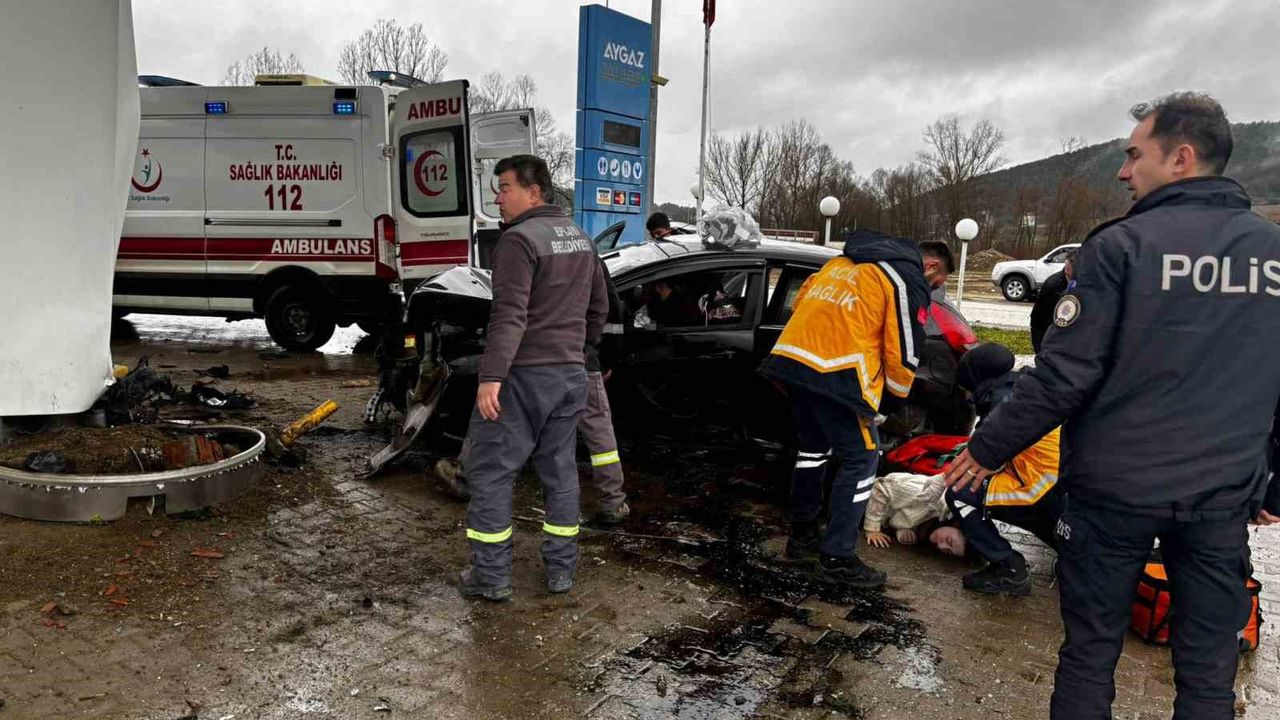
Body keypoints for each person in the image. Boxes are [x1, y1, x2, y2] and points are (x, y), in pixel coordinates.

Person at [944, 93, 1280, 718]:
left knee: (1091, 650)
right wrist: (1275, 486)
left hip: (1113, 494)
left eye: (1133, 155)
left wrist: (986, 448)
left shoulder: (1121, 246)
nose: (1124, 171)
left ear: (1180, 158)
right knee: (1209, 666)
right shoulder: (1273, 251)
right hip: (1220, 496)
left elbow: (1065, 374)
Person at [760, 230, 953, 588]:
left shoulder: (841, 262)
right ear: (930, 266)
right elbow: (905, 349)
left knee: (812, 452)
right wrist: (889, 403)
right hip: (840, 374)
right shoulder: (904, 279)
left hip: (793, 364)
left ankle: (802, 536)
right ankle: (838, 557)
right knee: (863, 460)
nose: (933, 289)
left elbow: (802, 302)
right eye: (937, 283)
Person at [460, 154, 608, 602]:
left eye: (504, 188)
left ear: (534, 191)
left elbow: (509, 314)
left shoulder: (518, 241)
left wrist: (491, 376)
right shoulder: (581, 239)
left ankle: (491, 577)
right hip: (569, 377)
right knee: (560, 473)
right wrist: (578, 352)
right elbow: (599, 309)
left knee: (490, 472)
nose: (497, 199)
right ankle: (561, 572)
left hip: (524, 378)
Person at [934, 343, 1063, 596]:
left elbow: (982, 463)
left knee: (960, 492)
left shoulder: (999, 406)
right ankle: (1069, 551)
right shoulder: (1023, 387)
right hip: (1064, 482)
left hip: (1039, 485)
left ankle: (1008, 568)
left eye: (966, 389)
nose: (967, 397)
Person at [1029, 250, 1076, 353]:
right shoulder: (1052, 285)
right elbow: (1038, 319)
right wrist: (1039, 349)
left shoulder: (1090, 285)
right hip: (1052, 341)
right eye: (1068, 275)